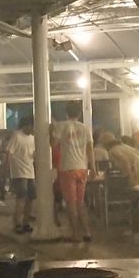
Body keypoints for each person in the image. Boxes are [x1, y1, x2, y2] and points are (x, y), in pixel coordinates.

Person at [51, 101, 94, 243]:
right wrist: (93, 167)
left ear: (66, 112)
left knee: (71, 203)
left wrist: (51, 131)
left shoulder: (62, 126)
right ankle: (87, 232)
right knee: (80, 202)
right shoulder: (85, 128)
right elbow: (90, 149)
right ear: (79, 113)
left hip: (67, 168)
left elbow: (53, 143)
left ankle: (75, 234)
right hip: (82, 168)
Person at [6, 121, 36, 234]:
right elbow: (9, 152)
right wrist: (7, 169)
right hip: (19, 171)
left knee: (30, 198)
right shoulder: (17, 135)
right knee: (21, 197)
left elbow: (33, 153)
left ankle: (25, 223)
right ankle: (17, 223)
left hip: (30, 171)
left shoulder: (32, 138)